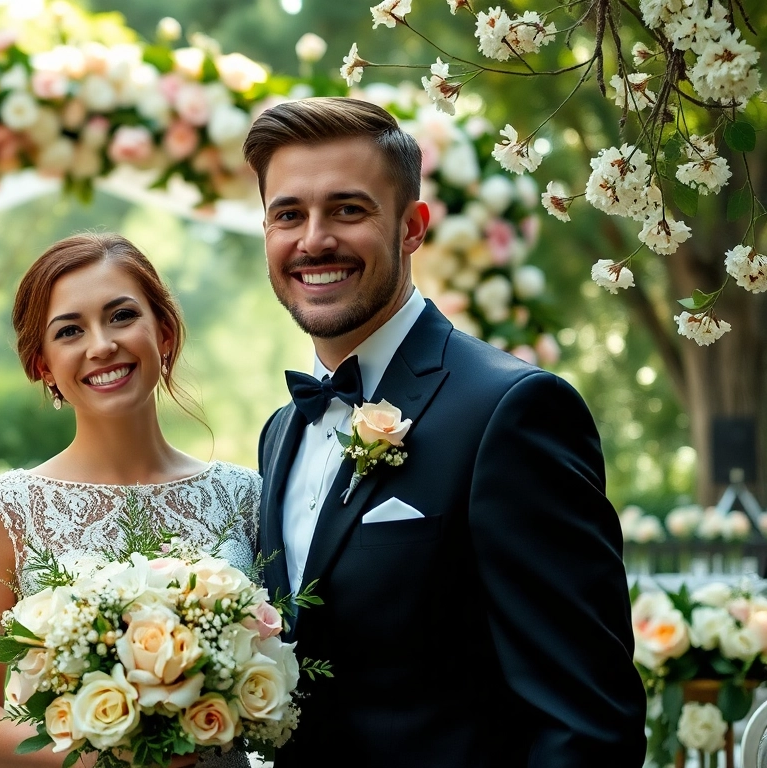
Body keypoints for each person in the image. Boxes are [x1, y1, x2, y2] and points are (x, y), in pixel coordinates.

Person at [244, 97, 646, 766]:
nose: (313, 240)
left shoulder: (514, 411)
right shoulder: (281, 431)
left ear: (411, 228)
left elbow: (586, 722)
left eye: (348, 209)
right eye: (289, 214)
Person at [0, 233, 258, 768]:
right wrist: (106, 761)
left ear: (163, 332)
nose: (101, 345)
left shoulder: (247, 497)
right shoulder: (3, 512)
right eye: (69, 331)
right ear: (43, 365)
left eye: (121, 316)